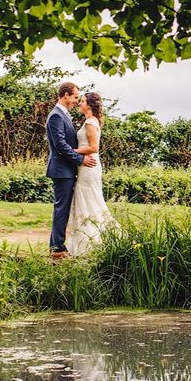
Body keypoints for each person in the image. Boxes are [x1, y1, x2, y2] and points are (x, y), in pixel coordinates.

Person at [45, 82, 97, 259]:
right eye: (75, 97)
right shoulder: (56, 116)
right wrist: (80, 159)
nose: (76, 101)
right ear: (65, 95)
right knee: (62, 208)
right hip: (61, 170)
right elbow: (60, 145)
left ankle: (57, 244)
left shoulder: (64, 115)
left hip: (67, 169)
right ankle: (57, 248)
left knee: (64, 208)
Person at [66, 91, 120, 256]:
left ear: (89, 105)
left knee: (88, 198)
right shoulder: (90, 121)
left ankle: (91, 241)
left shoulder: (90, 122)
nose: (80, 103)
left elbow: (93, 147)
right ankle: (86, 239)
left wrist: (71, 151)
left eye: (82, 101)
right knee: (87, 199)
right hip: (86, 165)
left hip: (89, 166)